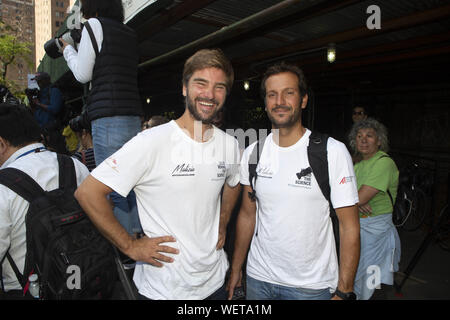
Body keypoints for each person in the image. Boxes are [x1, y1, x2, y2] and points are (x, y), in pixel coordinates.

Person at [74, 48, 242, 300]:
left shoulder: (229, 145)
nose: (209, 94)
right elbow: (88, 193)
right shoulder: (151, 142)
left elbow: (233, 182)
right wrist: (130, 246)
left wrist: (223, 221)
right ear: (185, 88)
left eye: (219, 87)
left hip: (214, 283)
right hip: (163, 291)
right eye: (201, 83)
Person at [227, 62, 361, 300]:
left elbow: (349, 226)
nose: (280, 101)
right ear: (266, 103)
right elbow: (248, 215)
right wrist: (237, 268)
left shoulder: (331, 151)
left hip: (310, 287)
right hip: (259, 279)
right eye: (272, 94)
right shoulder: (252, 154)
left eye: (289, 93)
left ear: (303, 100)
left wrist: (345, 290)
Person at [61, 0, 144, 237]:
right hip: (131, 115)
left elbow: (82, 74)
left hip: (108, 117)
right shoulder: (128, 32)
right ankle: (139, 236)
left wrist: (67, 49)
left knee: (114, 187)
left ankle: (127, 251)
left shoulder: (94, 25)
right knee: (133, 184)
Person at [0, 103, 89, 297]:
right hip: (84, 278)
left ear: (1, 144)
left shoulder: (3, 185)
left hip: (27, 289)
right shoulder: (75, 166)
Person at [348, 117, 401, 300]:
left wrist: (356, 200)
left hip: (376, 232)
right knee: (355, 277)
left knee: (371, 279)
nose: (363, 139)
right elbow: (342, 196)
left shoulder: (384, 162)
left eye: (369, 136)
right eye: (359, 136)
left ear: (379, 141)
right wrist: (356, 201)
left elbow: (356, 197)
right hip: (357, 228)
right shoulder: (358, 165)